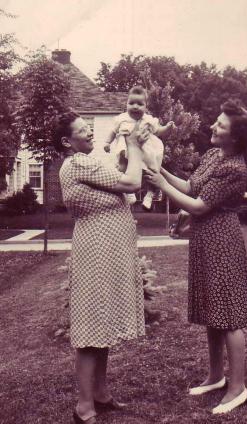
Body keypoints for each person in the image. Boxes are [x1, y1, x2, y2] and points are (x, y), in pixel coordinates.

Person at [145, 100, 247, 415]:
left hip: (223, 241)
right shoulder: (212, 155)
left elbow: (198, 206)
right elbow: (191, 186)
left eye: (220, 125)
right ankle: (216, 376)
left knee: (230, 316)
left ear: (235, 137)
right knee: (211, 311)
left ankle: (238, 387)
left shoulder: (235, 167)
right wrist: (159, 170)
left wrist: (161, 185)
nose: (212, 127)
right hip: (205, 240)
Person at [53, 111, 149, 424]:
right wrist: (133, 145)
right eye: (83, 130)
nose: (90, 132)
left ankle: (101, 394)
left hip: (107, 250)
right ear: (67, 141)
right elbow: (132, 181)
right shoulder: (79, 163)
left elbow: (125, 186)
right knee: (91, 326)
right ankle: (84, 405)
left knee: (102, 324)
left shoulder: (92, 162)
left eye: (89, 127)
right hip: (96, 251)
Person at [104, 85, 175, 210]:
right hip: (126, 150)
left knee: (152, 172)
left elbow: (158, 131)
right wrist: (107, 142)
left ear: (146, 106)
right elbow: (113, 131)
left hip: (145, 150)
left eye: (140, 104)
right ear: (126, 104)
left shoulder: (148, 120)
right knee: (122, 168)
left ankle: (150, 194)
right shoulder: (121, 118)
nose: (135, 106)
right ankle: (129, 192)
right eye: (131, 103)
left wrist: (167, 128)